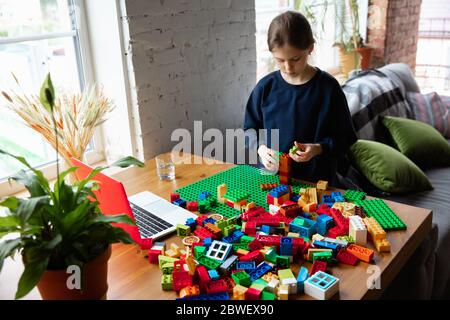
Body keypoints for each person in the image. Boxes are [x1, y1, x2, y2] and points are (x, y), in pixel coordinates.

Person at [244, 11, 357, 186]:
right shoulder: (265, 88)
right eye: (280, 60)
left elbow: (347, 138)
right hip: (273, 180)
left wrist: (319, 148)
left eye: (295, 59)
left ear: (310, 48)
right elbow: (249, 129)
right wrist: (260, 148)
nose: (288, 67)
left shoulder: (328, 88)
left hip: (317, 183)